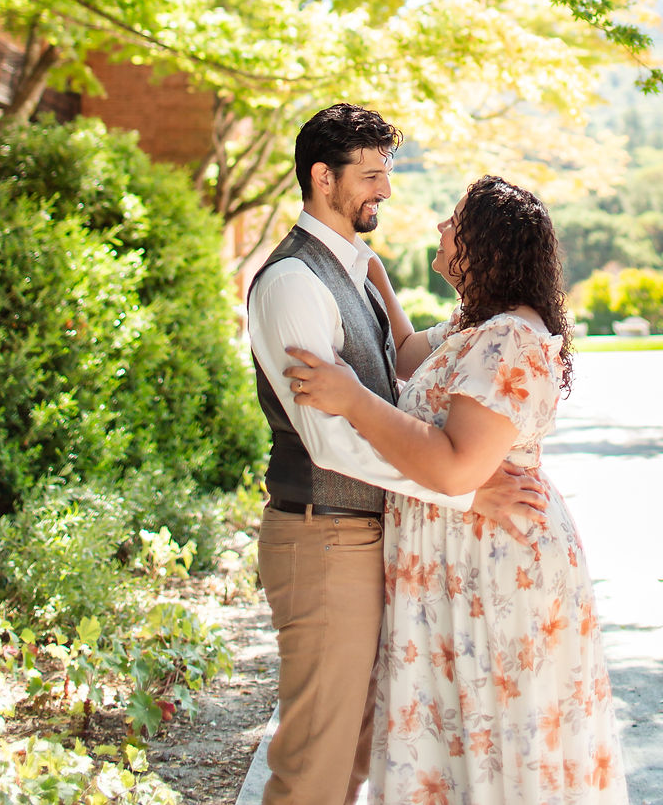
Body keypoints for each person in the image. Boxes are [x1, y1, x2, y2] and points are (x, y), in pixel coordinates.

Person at [285, 174, 630, 805]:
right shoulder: (481, 328)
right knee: (460, 737)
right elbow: (412, 355)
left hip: (493, 567)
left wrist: (350, 398)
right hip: (459, 560)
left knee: (494, 734)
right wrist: (372, 273)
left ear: (488, 246)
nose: (441, 230)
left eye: (454, 223)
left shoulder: (510, 339)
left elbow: (452, 469)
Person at [247, 107, 544, 805]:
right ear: (323, 178)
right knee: (315, 763)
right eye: (371, 175)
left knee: (353, 752)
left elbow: (416, 361)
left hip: (364, 539)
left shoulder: (355, 272)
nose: (386, 191)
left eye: (388, 173)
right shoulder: (293, 282)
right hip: (322, 537)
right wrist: (467, 493)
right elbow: (331, 440)